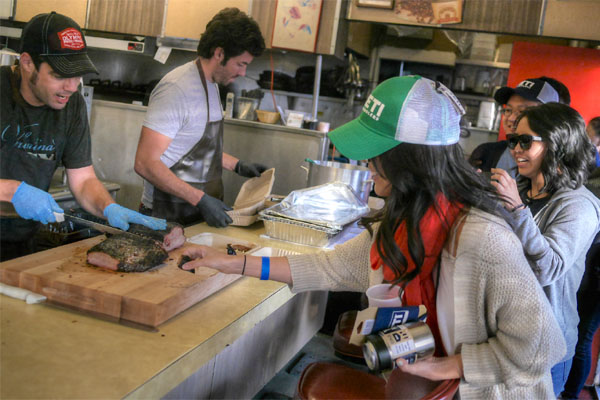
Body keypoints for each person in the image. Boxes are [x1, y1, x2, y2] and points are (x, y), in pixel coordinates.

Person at [181, 76, 565, 398]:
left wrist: (445, 366)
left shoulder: (482, 238)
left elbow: (541, 346)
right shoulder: (401, 220)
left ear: (410, 158)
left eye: (375, 152)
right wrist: (230, 262)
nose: (367, 164)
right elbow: (329, 266)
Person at [0, 12, 166, 262]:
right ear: (27, 63)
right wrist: (11, 191)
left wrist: (107, 207)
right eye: (59, 75)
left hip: (20, 243)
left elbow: (83, 179)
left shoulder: (72, 104)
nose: (72, 86)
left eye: (78, 74)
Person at [490, 103, 600, 396]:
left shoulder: (580, 205)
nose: (516, 149)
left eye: (526, 141)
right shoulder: (522, 190)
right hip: (502, 337)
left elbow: (547, 269)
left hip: (543, 346)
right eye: (514, 140)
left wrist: (515, 208)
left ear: (558, 143)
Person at [134, 8, 267, 228]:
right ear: (220, 53)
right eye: (241, 64)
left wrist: (238, 165)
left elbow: (193, 145)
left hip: (194, 216)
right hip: (164, 217)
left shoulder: (212, 85)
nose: (243, 73)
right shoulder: (176, 89)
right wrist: (201, 200)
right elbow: (145, 163)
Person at [560, 116, 600, 400]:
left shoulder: (591, 185)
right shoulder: (591, 177)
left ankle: (570, 395)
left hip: (594, 272)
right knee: (579, 335)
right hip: (591, 269)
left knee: (580, 336)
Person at [468, 77, 565, 177]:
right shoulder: (486, 153)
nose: (511, 118)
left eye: (523, 112)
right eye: (508, 110)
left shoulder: (560, 167)